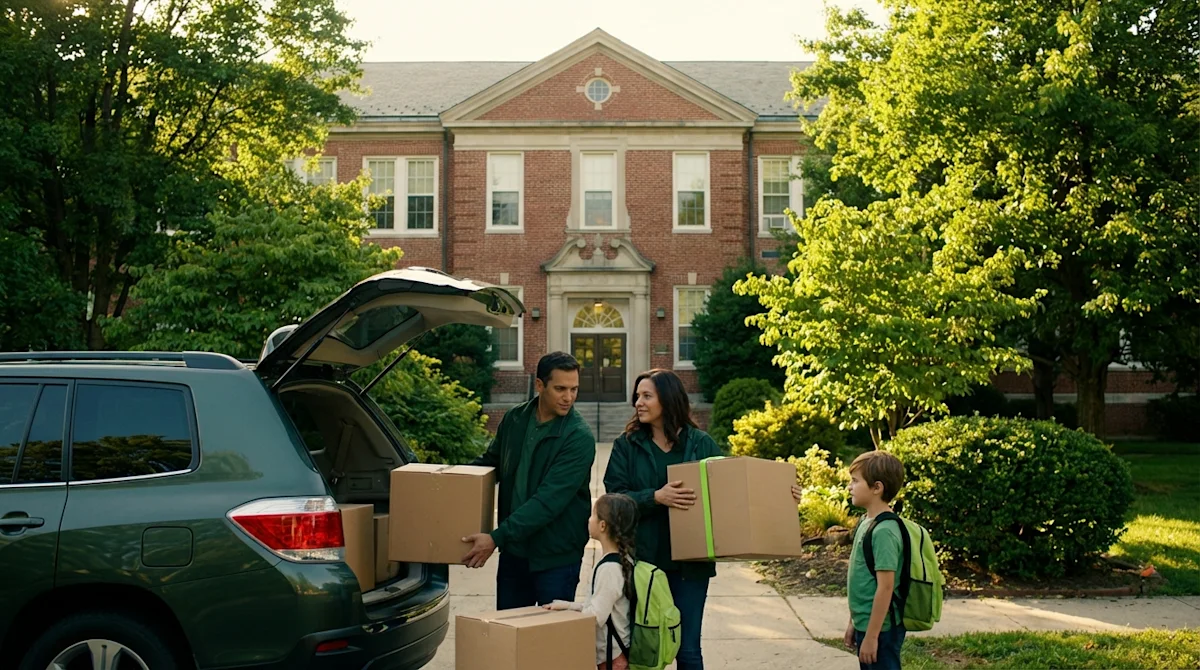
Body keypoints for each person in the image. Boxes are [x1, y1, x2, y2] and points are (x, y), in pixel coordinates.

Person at [601, 369, 722, 670]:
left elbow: (730, 489)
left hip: (690, 565)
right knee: (643, 648)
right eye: (637, 396)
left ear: (667, 400)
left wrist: (784, 493)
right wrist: (655, 497)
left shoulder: (701, 444)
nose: (638, 403)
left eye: (646, 396)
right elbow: (614, 498)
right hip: (643, 564)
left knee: (689, 650)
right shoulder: (627, 445)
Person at [462, 351, 596, 610]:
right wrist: (449, 479)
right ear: (539, 385)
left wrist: (496, 537)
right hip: (515, 553)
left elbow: (549, 501)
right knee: (511, 638)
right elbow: (491, 465)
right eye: (560, 389)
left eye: (574, 389)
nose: (569, 397)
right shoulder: (515, 419)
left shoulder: (578, 437)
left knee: (549, 642)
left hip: (556, 557)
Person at [545, 493, 636, 670]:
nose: (589, 519)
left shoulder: (609, 569)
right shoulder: (619, 560)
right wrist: (566, 606)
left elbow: (595, 616)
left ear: (602, 526)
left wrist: (563, 624)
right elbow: (600, 606)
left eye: (593, 515)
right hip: (613, 654)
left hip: (613, 658)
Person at [843, 450, 908, 670]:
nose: (849, 487)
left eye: (855, 481)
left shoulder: (884, 531)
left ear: (877, 488)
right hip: (868, 625)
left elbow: (885, 588)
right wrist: (854, 622)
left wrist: (872, 637)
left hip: (883, 630)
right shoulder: (865, 522)